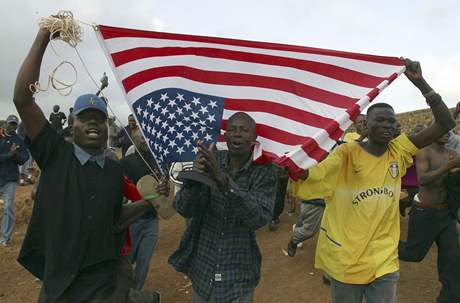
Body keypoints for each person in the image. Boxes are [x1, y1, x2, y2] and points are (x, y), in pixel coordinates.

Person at [14, 25, 166, 302]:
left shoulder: (114, 170)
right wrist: (43, 37)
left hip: (103, 281)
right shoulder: (55, 154)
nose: (94, 122)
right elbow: (23, 100)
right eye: (86, 117)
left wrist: (151, 199)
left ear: (108, 127)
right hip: (59, 281)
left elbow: (114, 220)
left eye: (99, 117)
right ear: (73, 125)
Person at [295, 59, 455, 303]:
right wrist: (294, 166)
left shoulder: (399, 150)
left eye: (391, 121)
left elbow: (445, 123)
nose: (387, 125)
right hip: (347, 259)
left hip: (384, 260)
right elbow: (318, 173)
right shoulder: (346, 153)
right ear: (366, 125)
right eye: (379, 120)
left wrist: (421, 83)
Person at [169, 112, 280, 303]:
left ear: (253, 139)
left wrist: (223, 182)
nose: (237, 134)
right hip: (203, 270)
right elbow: (184, 208)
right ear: (225, 136)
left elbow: (259, 218)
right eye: (232, 129)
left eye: (244, 130)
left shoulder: (265, 171)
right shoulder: (210, 159)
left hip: (237, 275)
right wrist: (194, 180)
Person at [398, 130, 460, 302]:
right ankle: (381, 245)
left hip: (446, 213)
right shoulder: (425, 152)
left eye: (450, 130)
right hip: (425, 211)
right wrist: (448, 166)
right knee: (413, 254)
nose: (447, 133)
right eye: (443, 129)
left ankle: (450, 297)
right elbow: (423, 179)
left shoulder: (451, 153)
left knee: (452, 257)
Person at [120, 135, 161, 292]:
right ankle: (123, 294)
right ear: (134, 140)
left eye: (146, 138)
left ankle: (135, 294)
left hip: (152, 220)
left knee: (144, 262)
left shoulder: (157, 161)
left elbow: (163, 190)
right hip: (133, 221)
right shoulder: (126, 162)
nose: (144, 141)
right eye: (141, 138)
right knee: (127, 262)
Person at [0, 114, 29, 246]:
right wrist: (9, 155)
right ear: (6, 123)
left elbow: (24, 158)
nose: (12, 126)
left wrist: (16, 154)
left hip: (10, 179)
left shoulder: (19, 140)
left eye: (14, 124)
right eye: (10, 123)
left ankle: (5, 238)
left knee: (8, 207)